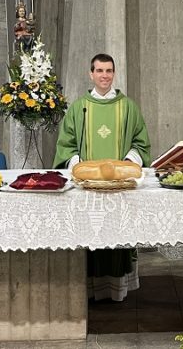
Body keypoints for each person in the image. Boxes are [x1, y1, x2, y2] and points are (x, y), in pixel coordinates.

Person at [54, 53, 151, 301]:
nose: (104, 76)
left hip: (120, 186)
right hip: (89, 186)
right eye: (99, 71)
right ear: (91, 74)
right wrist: (78, 165)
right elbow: (66, 145)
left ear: (114, 73)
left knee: (118, 232)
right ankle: (90, 287)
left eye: (108, 71)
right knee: (92, 233)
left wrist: (129, 163)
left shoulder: (127, 106)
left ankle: (119, 287)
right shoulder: (79, 108)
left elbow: (140, 142)